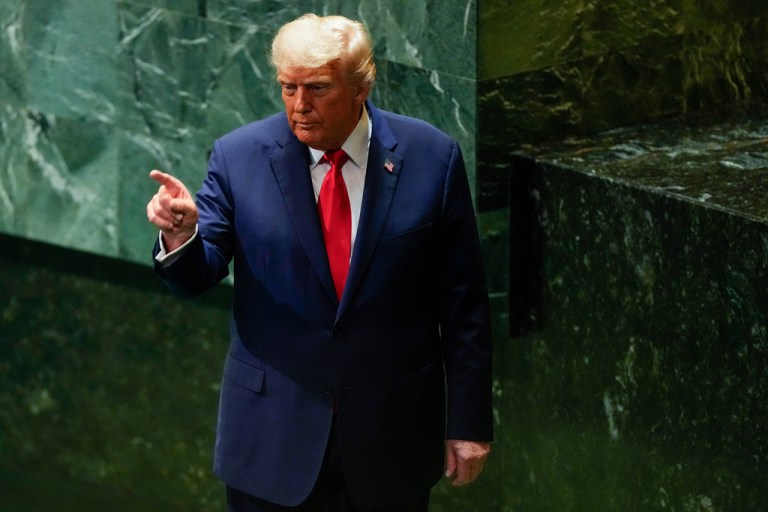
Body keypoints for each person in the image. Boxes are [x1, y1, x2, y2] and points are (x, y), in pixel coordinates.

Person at [146, 13, 492, 512]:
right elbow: (199, 271)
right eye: (287, 88)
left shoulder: (432, 158)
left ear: (362, 86)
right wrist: (181, 235)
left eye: (318, 88)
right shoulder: (239, 156)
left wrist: (469, 423)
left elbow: (464, 304)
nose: (299, 106)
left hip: (389, 439)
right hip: (271, 442)